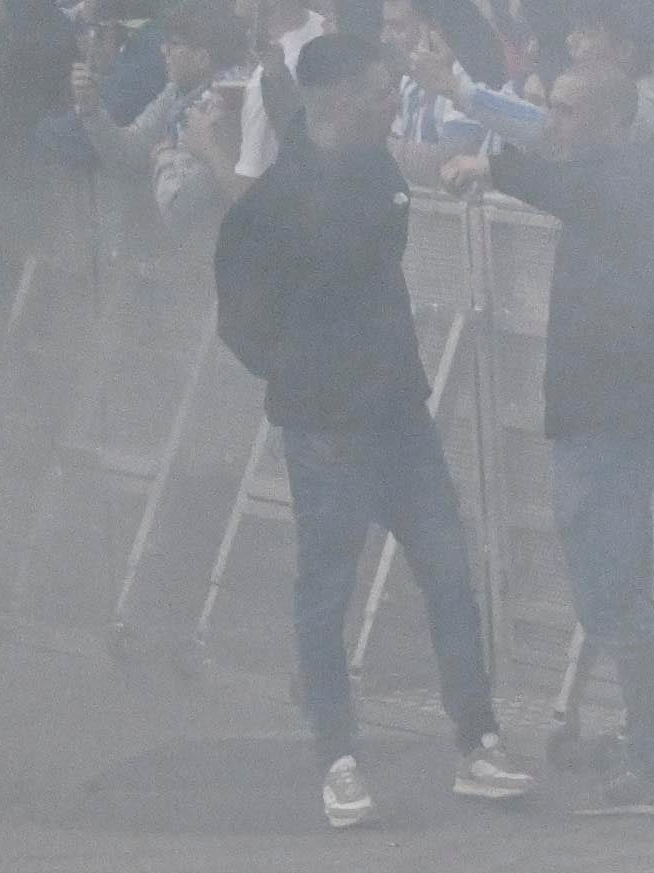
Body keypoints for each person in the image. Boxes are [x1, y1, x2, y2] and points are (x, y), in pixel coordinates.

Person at [220, 30, 534, 825]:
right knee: (327, 591)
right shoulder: (269, 205)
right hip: (326, 427)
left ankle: (477, 742)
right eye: (375, 89)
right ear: (328, 97)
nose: (391, 100)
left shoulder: (377, 172)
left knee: (450, 574)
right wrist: (304, 379)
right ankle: (338, 760)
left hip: (398, 415)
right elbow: (242, 323)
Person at [469, 57, 654, 805]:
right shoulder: (610, 174)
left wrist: (489, 163)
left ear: (615, 119)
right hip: (597, 412)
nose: (554, 123)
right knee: (619, 601)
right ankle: (652, 757)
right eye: (549, 107)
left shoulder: (631, 174)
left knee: (611, 602)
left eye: (569, 111)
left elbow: (563, 184)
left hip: (613, 417)